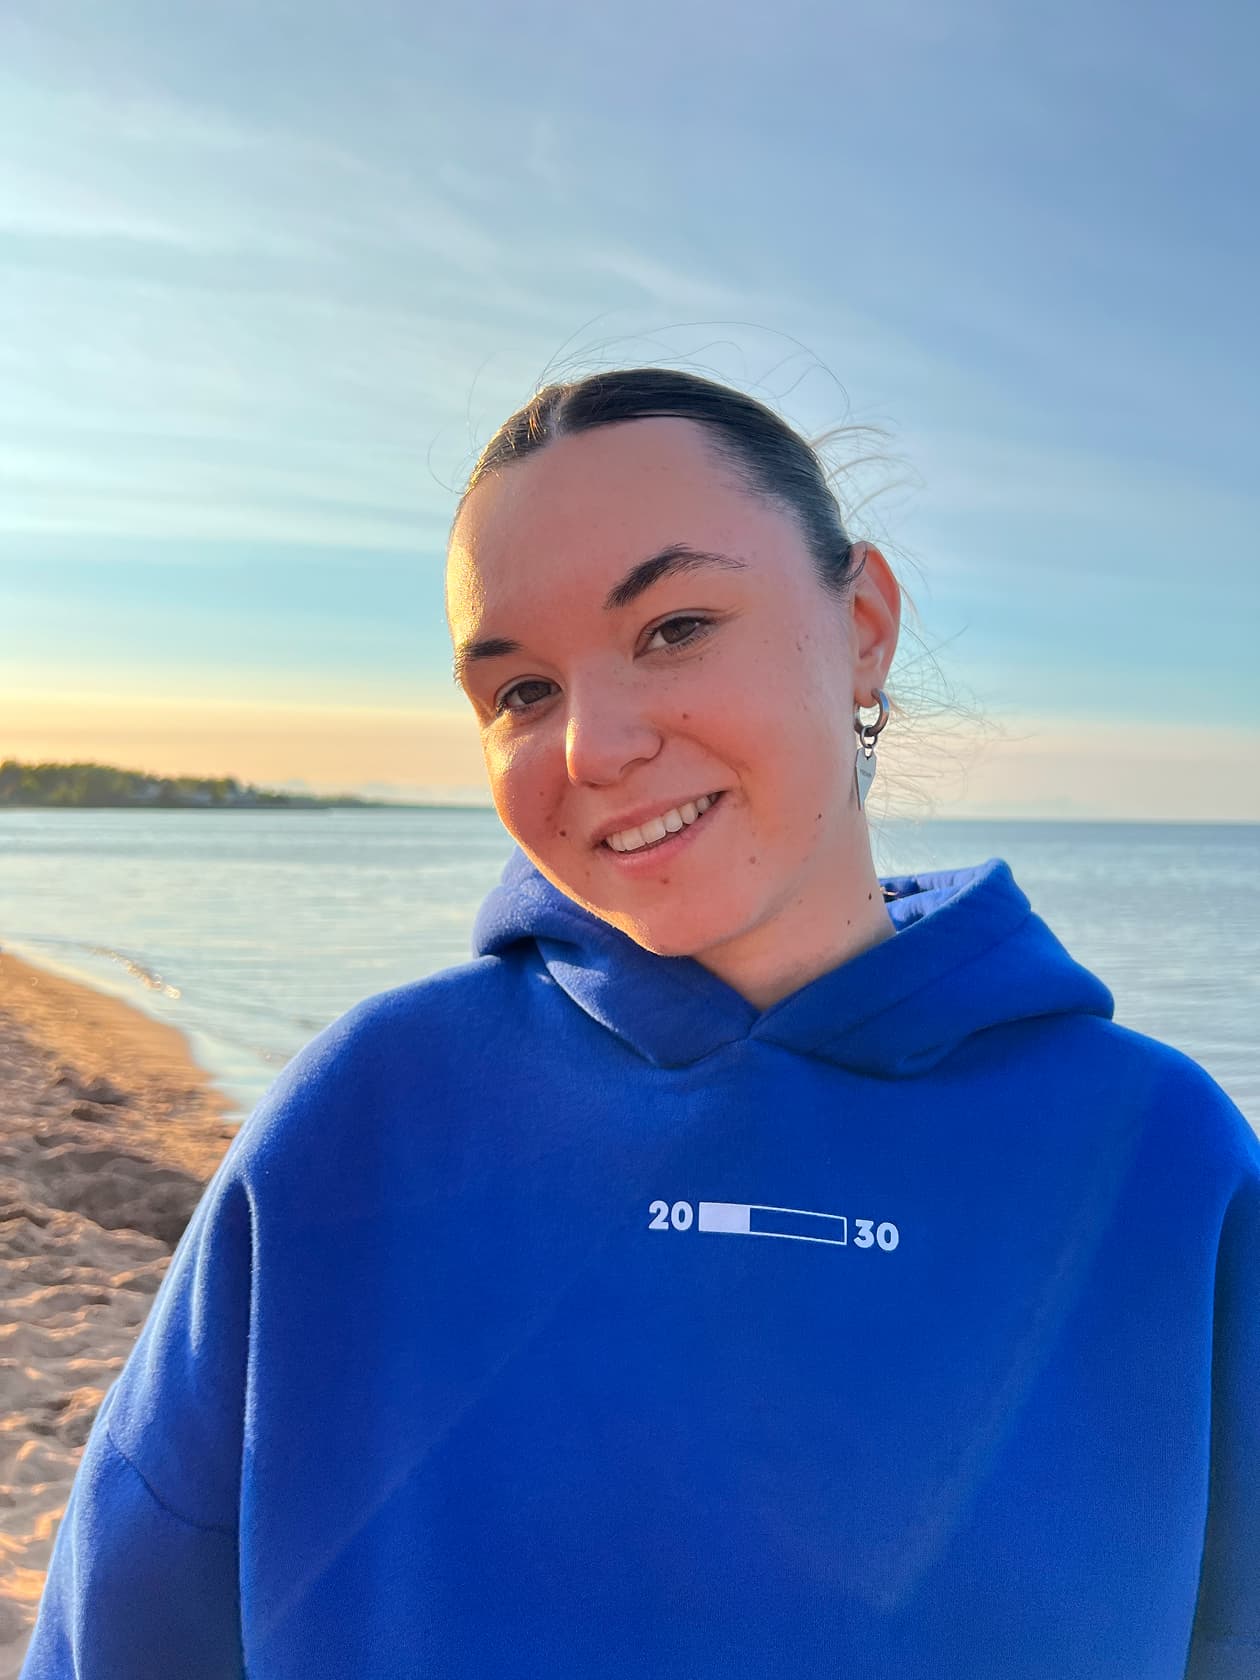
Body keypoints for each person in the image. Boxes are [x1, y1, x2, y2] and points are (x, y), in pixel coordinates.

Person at [20, 368, 1260, 1680]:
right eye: (521, 692)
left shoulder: (1158, 1159)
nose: (591, 749)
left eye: (673, 627)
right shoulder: (366, 1114)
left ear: (864, 628)